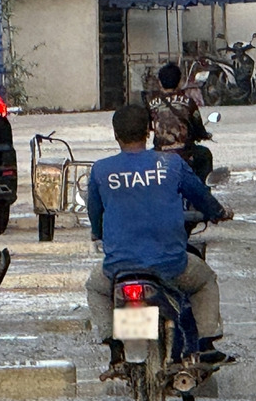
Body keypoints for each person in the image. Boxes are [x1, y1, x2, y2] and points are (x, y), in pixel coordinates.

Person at [85, 104, 234, 371]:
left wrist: (98, 234)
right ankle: (205, 344)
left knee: (96, 287)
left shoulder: (101, 170)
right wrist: (218, 213)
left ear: (116, 135)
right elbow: (200, 195)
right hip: (171, 265)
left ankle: (115, 347)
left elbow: (95, 214)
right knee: (205, 281)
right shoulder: (170, 164)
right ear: (149, 131)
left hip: (120, 267)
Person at [147, 62, 214, 182]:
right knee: (205, 154)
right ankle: (202, 190)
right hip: (185, 152)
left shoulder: (151, 104)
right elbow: (197, 126)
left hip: (159, 152)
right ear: (180, 82)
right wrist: (204, 134)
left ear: (160, 82)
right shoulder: (189, 102)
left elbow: (147, 126)